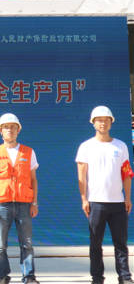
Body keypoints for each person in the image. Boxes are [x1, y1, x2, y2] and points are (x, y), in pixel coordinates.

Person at [75, 105, 134, 284]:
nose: (103, 123)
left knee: (120, 243)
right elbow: (81, 175)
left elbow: (126, 173)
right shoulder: (86, 147)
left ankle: (124, 276)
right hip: (96, 203)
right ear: (93, 123)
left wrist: (127, 197)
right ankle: (97, 277)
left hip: (117, 202)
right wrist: (84, 199)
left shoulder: (120, 146)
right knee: (95, 243)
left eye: (106, 120)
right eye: (99, 120)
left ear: (111, 122)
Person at [0, 113, 39, 284]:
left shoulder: (28, 152)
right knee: (1, 245)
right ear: (0, 131)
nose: (10, 130)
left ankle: (28, 276)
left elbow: (33, 179)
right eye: (6, 127)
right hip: (3, 204)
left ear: (18, 130)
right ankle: (3, 276)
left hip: (24, 204)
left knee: (27, 244)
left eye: (13, 127)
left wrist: (34, 203)